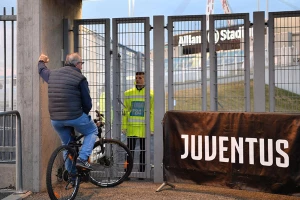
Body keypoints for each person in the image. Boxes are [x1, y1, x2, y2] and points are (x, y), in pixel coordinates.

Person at [38, 52, 98, 171]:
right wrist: (84, 114)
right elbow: (87, 102)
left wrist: (41, 61)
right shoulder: (80, 78)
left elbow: (42, 71)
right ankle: (82, 159)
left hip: (56, 119)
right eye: (81, 63)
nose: (82, 66)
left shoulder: (52, 74)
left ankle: (72, 178)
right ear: (76, 64)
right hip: (75, 116)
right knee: (92, 130)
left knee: (67, 145)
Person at [122, 72, 154, 178]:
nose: (137, 79)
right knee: (129, 151)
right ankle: (126, 171)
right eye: (136, 77)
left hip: (144, 128)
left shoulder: (150, 94)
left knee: (143, 151)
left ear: (145, 79)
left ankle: (142, 172)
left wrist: (151, 128)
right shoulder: (128, 94)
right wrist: (124, 126)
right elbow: (125, 111)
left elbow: (152, 112)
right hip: (131, 127)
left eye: (140, 77)